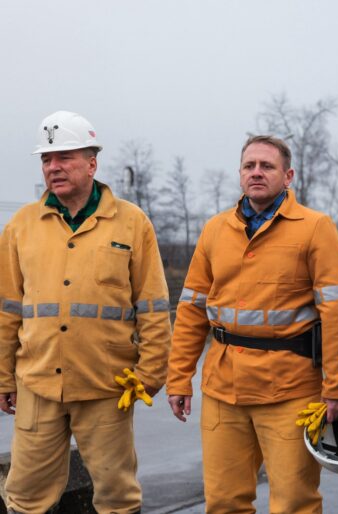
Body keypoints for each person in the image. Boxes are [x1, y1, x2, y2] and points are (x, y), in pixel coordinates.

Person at [165, 134, 338, 514]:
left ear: (288, 176)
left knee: (294, 503)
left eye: (267, 166)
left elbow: (337, 313)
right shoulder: (215, 230)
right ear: (239, 174)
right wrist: (178, 377)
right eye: (249, 166)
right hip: (223, 389)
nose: (256, 172)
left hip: (290, 390)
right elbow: (191, 310)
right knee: (223, 502)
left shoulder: (315, 228)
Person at [0, 111, 171, 514]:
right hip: (38, 384)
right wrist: (4, 374)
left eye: (65, 157)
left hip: (107, 386)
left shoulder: (132, 223)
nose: (53, 167)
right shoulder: (21, 226)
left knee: (117, 496)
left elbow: (153, 307)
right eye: (47, 159)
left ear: (92, 164)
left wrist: (151, 373)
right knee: (25, 496)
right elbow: (7, 309)